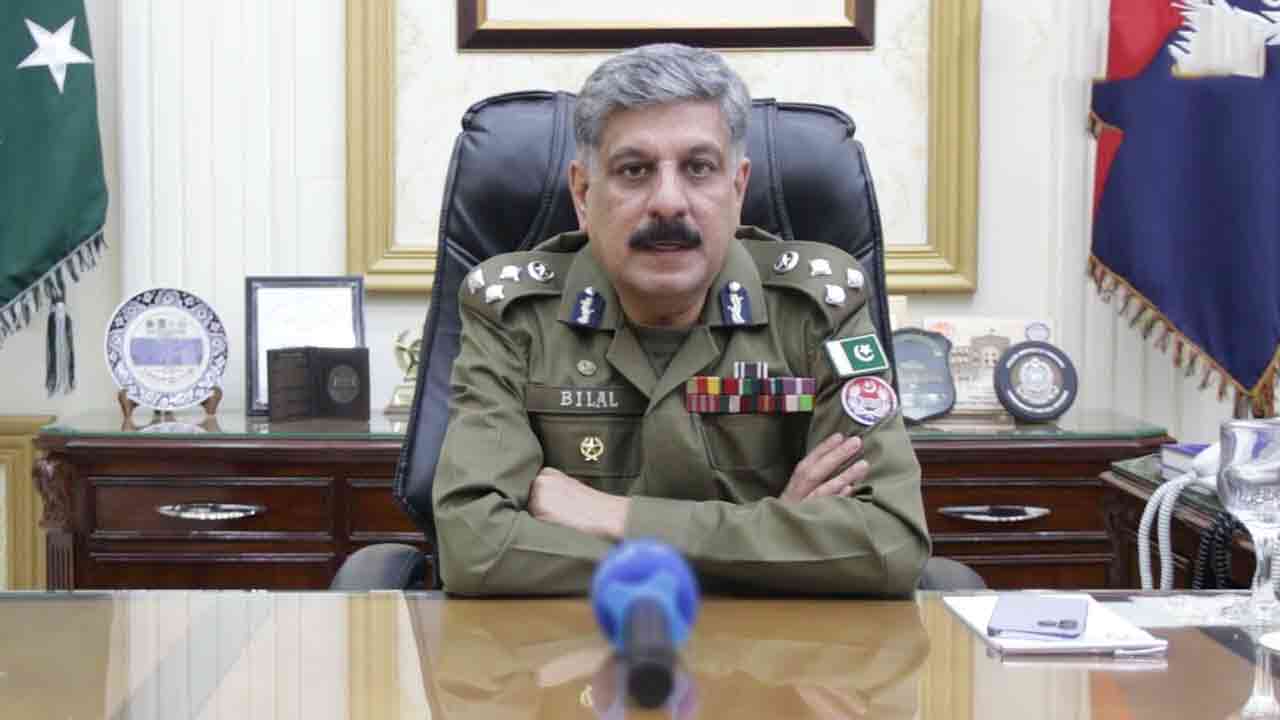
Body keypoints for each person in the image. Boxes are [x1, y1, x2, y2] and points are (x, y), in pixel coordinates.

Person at [432, 43, 930, 596]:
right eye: (634, 170)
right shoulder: (513, 315)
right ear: (583, 193)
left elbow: (889, 543)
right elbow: (475, 549)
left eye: (699, 168)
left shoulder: (819, 309)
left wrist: (617, 517)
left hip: (776, 648)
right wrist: (776, 549)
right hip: (577, 643)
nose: (668, 202)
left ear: (737, 189)